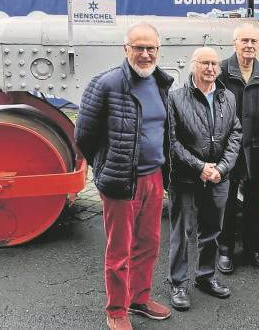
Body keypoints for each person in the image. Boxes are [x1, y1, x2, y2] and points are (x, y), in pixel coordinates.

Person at [75, 22, 173, 330]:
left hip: (154, 178)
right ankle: (116, 309)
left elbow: (164, 130)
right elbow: (84, 136)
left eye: (151, 48)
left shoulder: (161, 82)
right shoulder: (106, 84)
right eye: (139, 48)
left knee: (149, 243)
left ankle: (139, 298)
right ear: (125, 49)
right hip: (120, 182)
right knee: (119, 250)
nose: (145, 54)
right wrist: (105, 167)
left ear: (158, 50)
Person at [167, 47, 242, 311]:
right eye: (204, 63)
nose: (210, 68)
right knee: (182, 232)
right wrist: (200, 166)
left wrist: (221, 168)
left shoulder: (228, 97)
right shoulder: (175, 98)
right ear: (193, 66)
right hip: (186, 177)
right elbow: (172, 141)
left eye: (214, 64)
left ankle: (206, 276)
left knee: (212, 229)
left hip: (219, 176)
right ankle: (178, 283)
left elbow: (235, 133)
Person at [217, 23, 259, 273]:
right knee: (226, 202)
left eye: (254, 42)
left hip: (257, 150)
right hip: (228, 150)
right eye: (245, 41)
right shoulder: (220, 70)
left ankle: (253, 249)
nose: (249, 46)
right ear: (235, 43)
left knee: (255, 201)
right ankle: (225, 250)